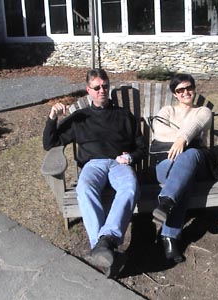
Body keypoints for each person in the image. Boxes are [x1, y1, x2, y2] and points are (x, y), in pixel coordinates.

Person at [43, 68, 146, 275]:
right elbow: (50, 142)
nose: (102, 90)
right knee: (85, 189)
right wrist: (52, 117)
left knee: (130, 187)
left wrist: (130, 157)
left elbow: (142, 147)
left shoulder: (124, 115)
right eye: (97, 87)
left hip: (119, 163)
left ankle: (103, 244)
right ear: (88, 90)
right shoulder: (79, 118)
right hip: (93, 164)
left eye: (105, 86)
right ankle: (105, 246)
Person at [151, 73, 213, 263]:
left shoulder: (203, 111)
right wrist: (188, 138)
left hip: (197, 164)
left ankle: (167, 201)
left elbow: (196, 124)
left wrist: (181, 140)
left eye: (189, 88)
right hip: (166, 165)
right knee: (183, 180)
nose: (186, 92)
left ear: (194, 88)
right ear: (175, 94)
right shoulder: (167, 110)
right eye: (180, 90)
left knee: (190, 155)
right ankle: (169, 237)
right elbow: (159, 130)